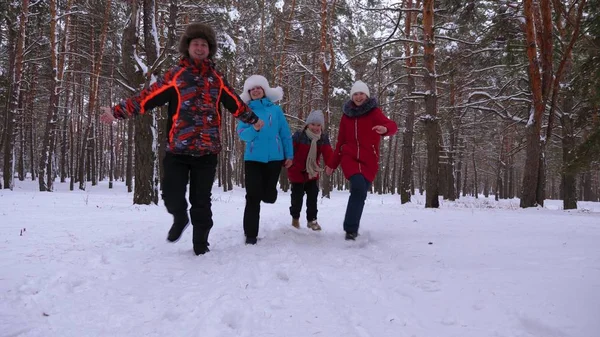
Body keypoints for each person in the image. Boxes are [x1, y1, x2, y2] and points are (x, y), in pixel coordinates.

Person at [99, 23, 263, 255]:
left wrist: (253, 119)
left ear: (209, 49)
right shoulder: (176, 76)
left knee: (201, 201)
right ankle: (179, 217)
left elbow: (234, 103)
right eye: (195, 43)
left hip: (207, 151)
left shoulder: (217, 78)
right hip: (178, 149)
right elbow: (148, 97)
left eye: (204, 44)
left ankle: (200, 245)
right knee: (170, 192)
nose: (199, 47)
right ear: (187, 47)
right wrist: (117, 111)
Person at [325, 80, 397, 240]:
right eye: (355, 94)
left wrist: (385, 129)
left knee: (361, 192)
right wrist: (332, 163)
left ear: (366, 95)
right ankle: (350, 229)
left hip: (369, 160)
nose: (358, 97)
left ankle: (352, 226)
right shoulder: (346, 116)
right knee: (357, 187)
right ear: (352, 96)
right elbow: (340, 142)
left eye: (361, 94)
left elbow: (392, 125)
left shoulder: (374, 113)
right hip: (349, 157)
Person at [236, 75, 293, 245]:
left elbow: (285, 133)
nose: (255, 91)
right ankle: (250, 235)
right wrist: (254, 128)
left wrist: (289, 155)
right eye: (252, 89)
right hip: (253, 159)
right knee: (252, 196)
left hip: (275, 158)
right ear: (248, 93)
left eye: (258, 88)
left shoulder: (275, 110)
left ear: (264, 91)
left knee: (268, 196)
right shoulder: (245, 112)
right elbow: (242, 135)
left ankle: (269, 193)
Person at [287, 110, 333, 231]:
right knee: (297, 198)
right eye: (313, 124)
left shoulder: (322, 138)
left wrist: (330, 165)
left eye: (318, 125)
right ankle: (295, 218)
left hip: (312, 173)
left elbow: (328, 153)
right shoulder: (299, 136)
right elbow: (289, 150)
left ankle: (312, 220)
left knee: (313, 196)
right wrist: (288, 161)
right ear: (307, 124)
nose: (315, 128)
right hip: (297, 172)